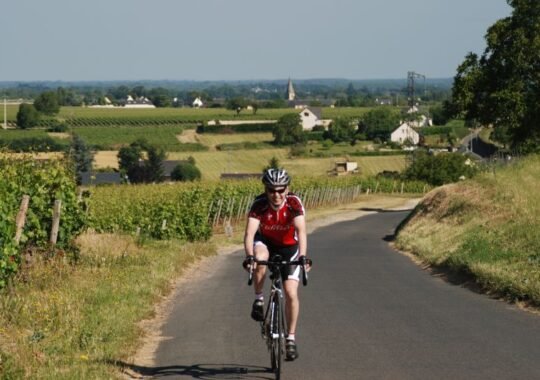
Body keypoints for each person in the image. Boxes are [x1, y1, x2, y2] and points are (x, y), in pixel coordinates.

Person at [243, 168, 309, 361]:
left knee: (290, 293)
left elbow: (302, 232)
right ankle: (259, 300)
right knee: (260, 257)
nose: (276, 195)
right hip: (266, 243)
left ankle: (290, 338)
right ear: (266, 189)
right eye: (272, 190)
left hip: (289, 247)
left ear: (287, 189)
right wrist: (249, 257)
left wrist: (303, 257)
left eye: (281, 190)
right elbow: (249, 234)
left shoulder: (294, 204)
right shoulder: (260, 204)